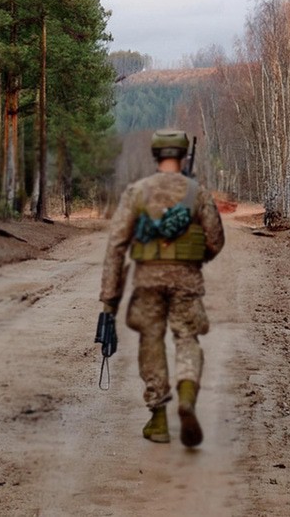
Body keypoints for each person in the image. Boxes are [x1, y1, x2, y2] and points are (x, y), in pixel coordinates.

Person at [99, 129, 225, 447]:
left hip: (148, 282)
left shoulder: (137, 192)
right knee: (186, 338)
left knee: (151, 340)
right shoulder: (197, 193)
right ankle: (186, 396)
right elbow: (215, 240)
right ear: (182, 156)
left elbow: (116, 246)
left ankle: (157, 420)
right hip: (186, 280)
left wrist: (109, 300)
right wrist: (196, 258)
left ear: (156, 156)